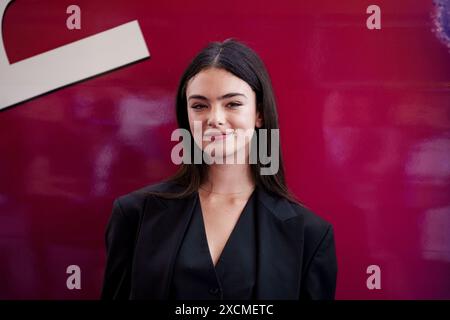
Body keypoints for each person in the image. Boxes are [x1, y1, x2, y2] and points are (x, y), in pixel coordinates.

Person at [101, 39, 337, 300]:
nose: (214, 118)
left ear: (259, 113)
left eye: (232, 104)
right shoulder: (135, 215)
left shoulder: (310, 235)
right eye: (199, 106)